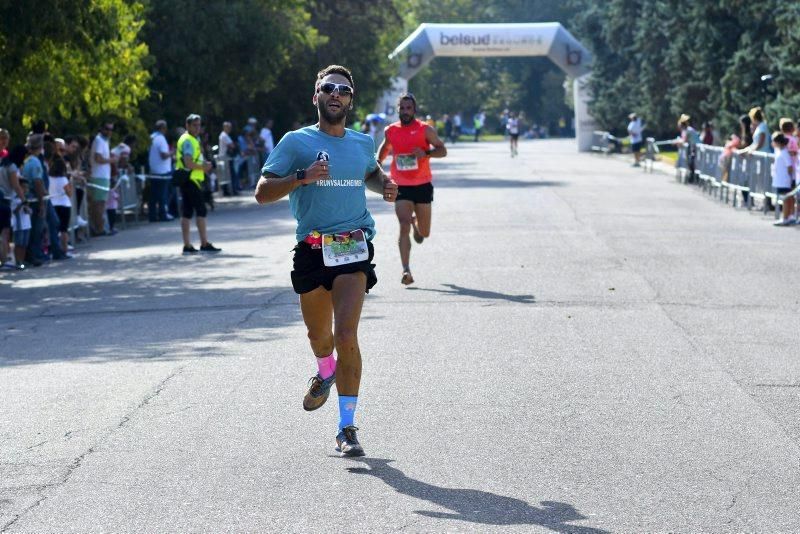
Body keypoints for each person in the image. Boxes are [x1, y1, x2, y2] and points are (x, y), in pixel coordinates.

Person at [255, 64, 398, 457]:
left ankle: (346, 427)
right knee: (320, 338)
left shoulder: (362, 143)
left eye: (344, 90)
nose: (336, 94)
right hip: (312, 249)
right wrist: (301, 176)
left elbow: (369, 171)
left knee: (346, 334)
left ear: (351, 100)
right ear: (316, 96)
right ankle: (325, 371)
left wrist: (383, 184)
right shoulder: (296, 142)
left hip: (353, 245)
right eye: (329, 88)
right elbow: (262, 192)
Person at [378, 92, 447, 285]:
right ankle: (406, 270)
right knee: (403, 225)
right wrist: (375, 167)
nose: (405, 111)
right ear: (398, 109)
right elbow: (383, 151)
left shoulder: (426, 130)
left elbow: (443, 150)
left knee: (424, 233)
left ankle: (418, 226)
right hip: (401, 185)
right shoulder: (391, 130)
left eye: (409, 108)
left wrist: (425, 152)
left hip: (422, 185)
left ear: (414, 110)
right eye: (402, 108)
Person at [176, 114, 221, 255]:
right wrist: (204, 167)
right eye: (194, 125)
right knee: (201, 210)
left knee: (187, 212)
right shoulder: (188, 140)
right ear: (187, 125)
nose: (197, 128)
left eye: (199, 125)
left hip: (189, 180)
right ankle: (204, 243)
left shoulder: (192, 139)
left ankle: (187, 245)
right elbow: (189, 162)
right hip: (191, 180)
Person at [88, 122, 117, 236]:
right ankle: (99, 229)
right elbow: (98, 158)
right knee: (98, 203)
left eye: (111, 129)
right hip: (98, 176)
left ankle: (100, 227)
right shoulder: (99, 140)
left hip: (104, 176)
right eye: (107, 129)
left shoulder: (105, 141)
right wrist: (111, 160)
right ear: (101, 129)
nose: (109, 131)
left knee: (102, 203)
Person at [148, 120, 173, 222]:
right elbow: (163, 155)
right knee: (164, 194)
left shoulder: (151, 137)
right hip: (163, 171)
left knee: (154, 195)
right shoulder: (161, 139)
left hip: (153, 170)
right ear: (163, 128)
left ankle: (152, 215)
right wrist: (172, 153)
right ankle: (163, 214)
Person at [771, 132, 795, 226]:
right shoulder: (779, 151)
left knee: (786, 199)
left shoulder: (784, 152)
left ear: (778, 142)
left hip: (784, 180)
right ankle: (788, 216)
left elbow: (789, 167)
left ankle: (785, 217)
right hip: (780, 180)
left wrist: (789, 179)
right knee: (786, 199)